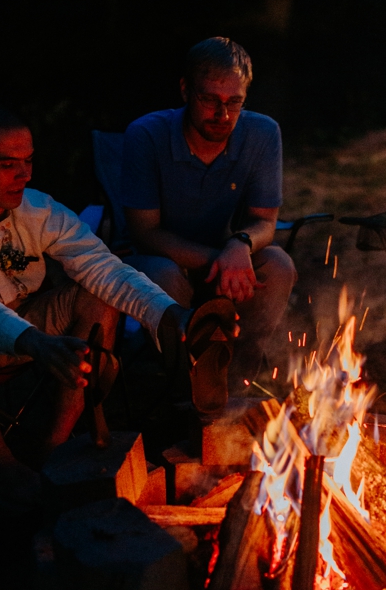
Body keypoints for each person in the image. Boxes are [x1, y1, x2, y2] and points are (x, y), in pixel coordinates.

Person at [0, 105, 192, 498]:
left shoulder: (37, 209)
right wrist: (36, 342)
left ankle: (53, 448)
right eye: (8, 164)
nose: (25, 175)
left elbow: (103, 267)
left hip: (23, 323)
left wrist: (170, 315)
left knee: (97, 296)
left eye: (29, 161)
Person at [122, 37, 296, 385]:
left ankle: (238, 381)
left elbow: (264, 220)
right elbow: (145, 232)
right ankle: (185, 385)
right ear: (186, 90)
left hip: (223, 256)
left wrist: (240, 245)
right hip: (158, 259)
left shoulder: (261, 133)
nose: (223, 115)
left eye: (235, 102)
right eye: (210, 100)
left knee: (278, 265)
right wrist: (222, 258)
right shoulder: (147, 135)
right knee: (166, 276)